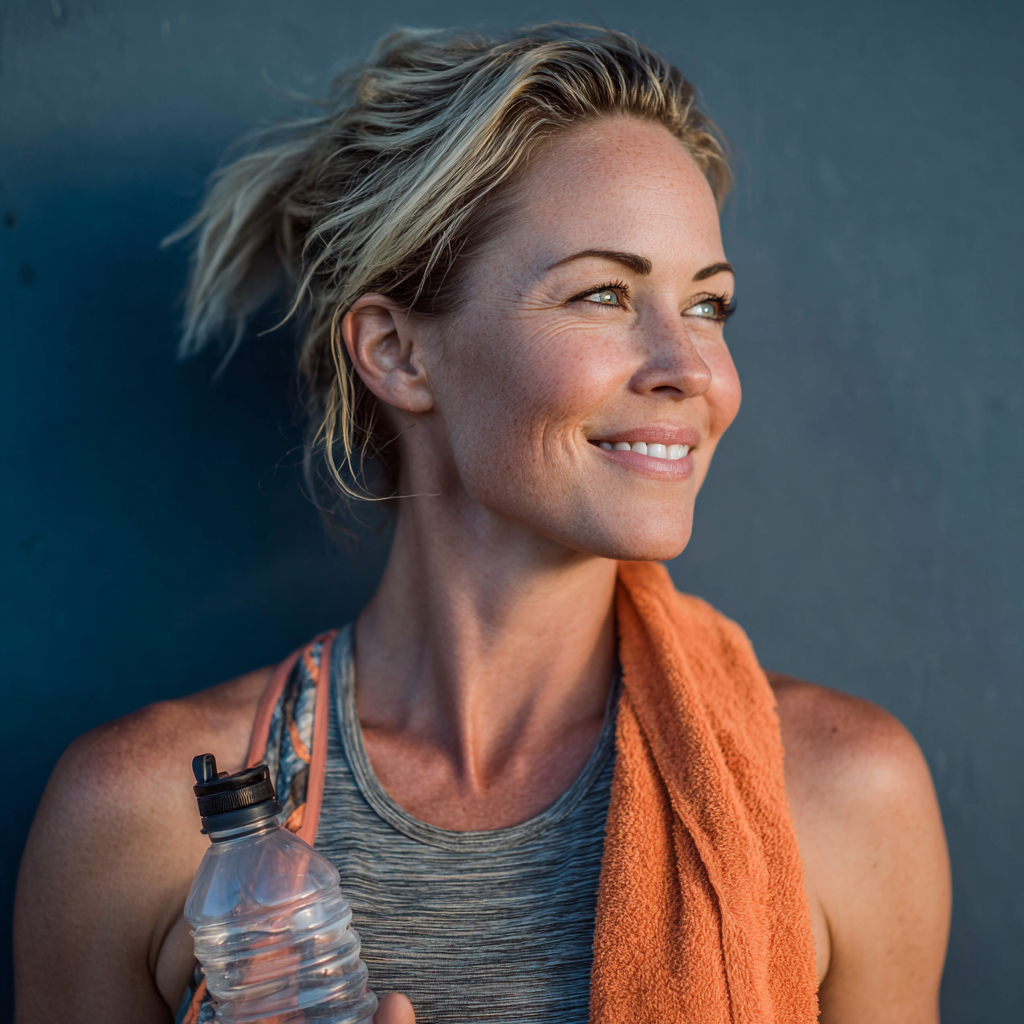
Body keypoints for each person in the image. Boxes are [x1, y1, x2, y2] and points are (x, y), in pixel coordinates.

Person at [13, 25, 951, 1024]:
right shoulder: (138, 825)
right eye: (603, 293)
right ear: (398, 354)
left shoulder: (844, 798)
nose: (694, 371)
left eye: (708, 306)